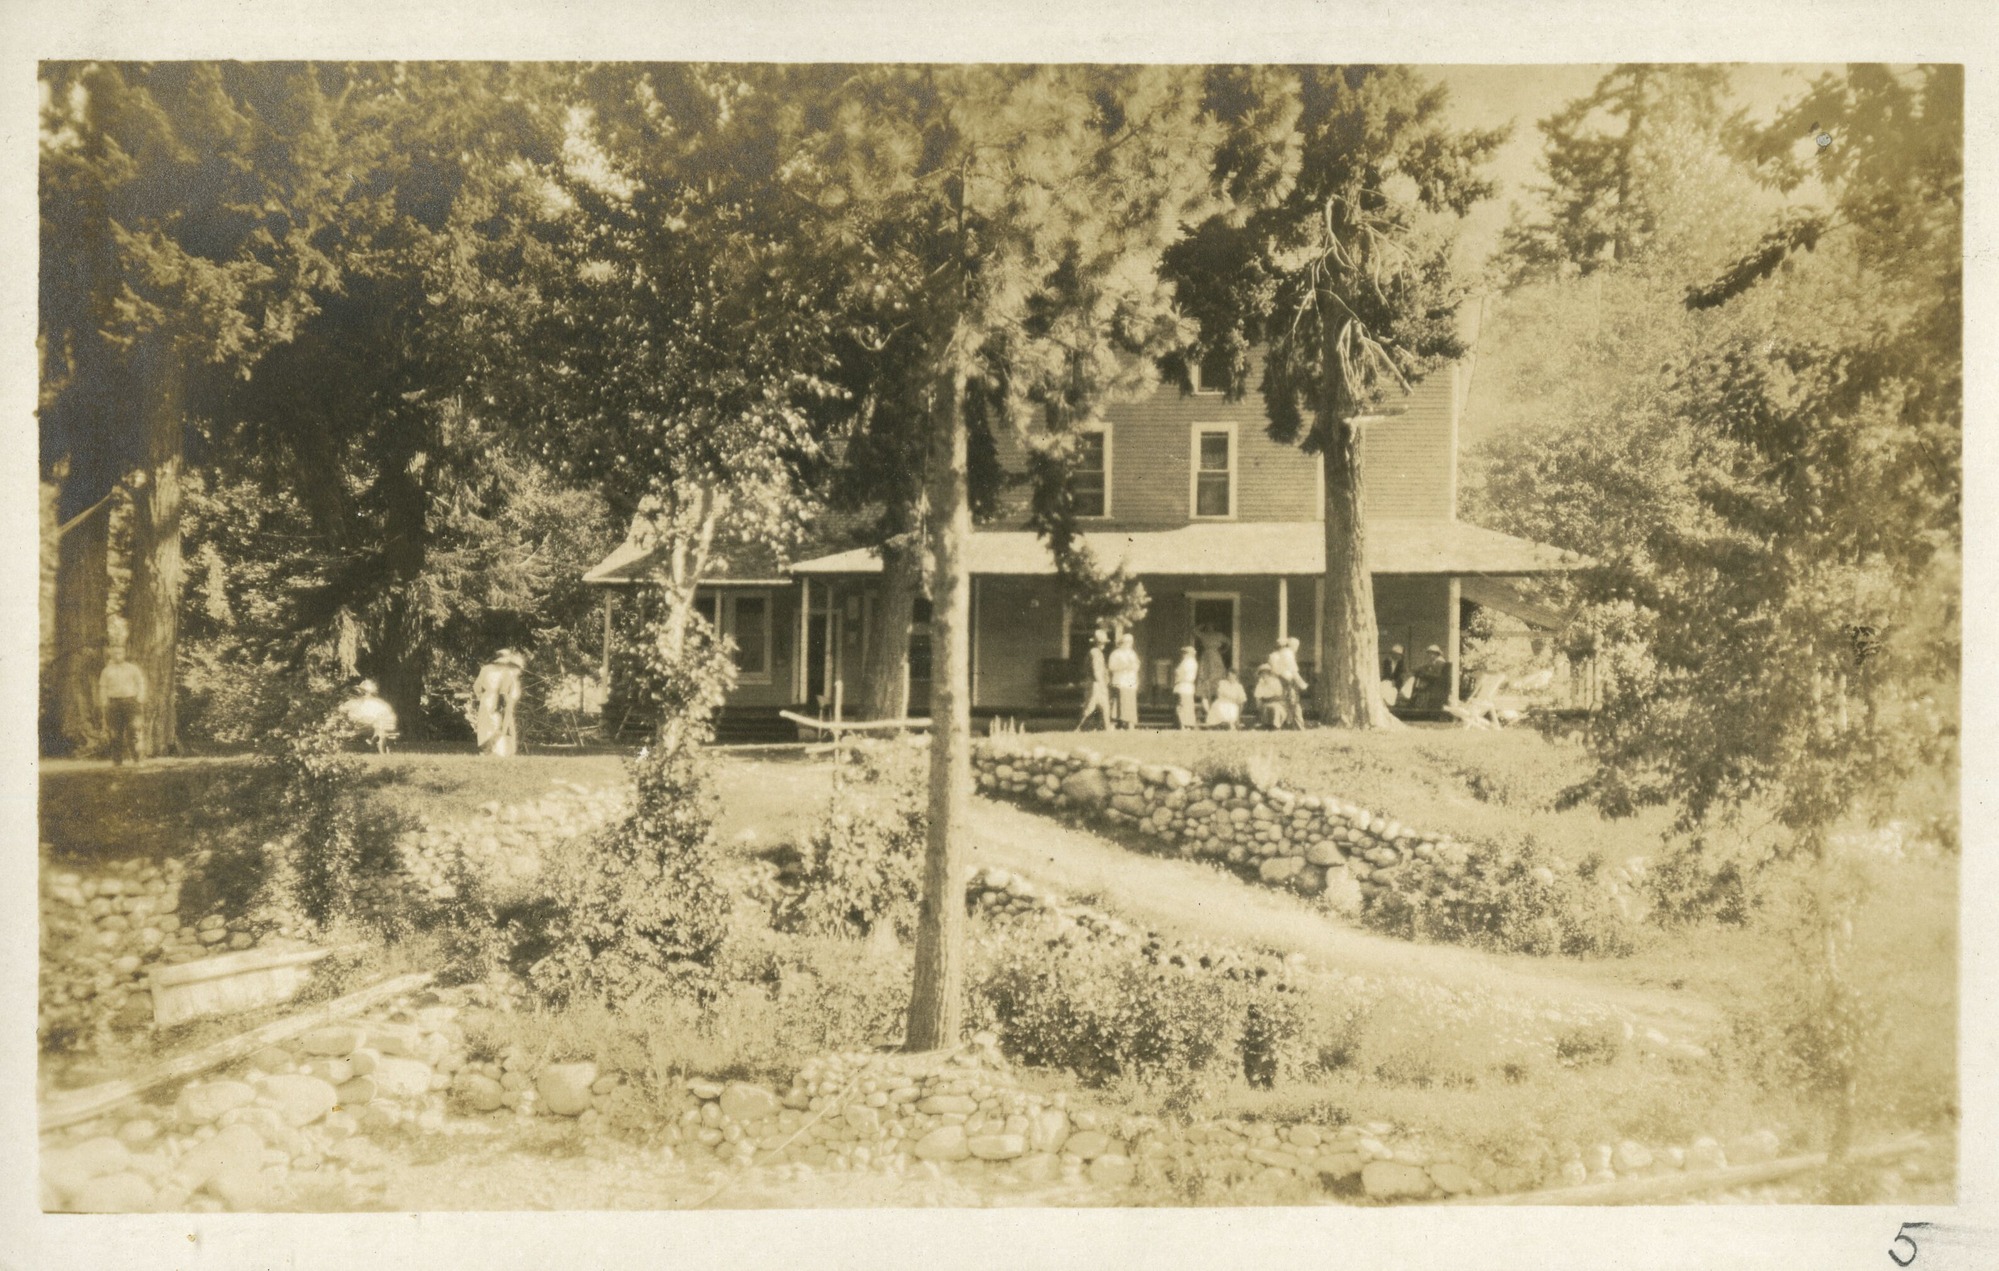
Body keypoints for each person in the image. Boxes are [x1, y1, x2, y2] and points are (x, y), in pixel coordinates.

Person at [469, 649, 528, 756]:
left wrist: (481, 696)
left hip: (490, 699)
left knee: (490, 725)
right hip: (500, 699)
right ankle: (494, 750)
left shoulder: (486, 669)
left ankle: (491, 750)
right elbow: (514, 690)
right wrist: (511, 700)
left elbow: (477, 686)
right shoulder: (509, 671)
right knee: (500, 724)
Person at [96, 645, 146, 766]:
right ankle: (117, 762)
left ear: (124, 654)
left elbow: (141, 683)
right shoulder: (107, 670)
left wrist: (140, 697)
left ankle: (138, 760)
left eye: (120, 653)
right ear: (111, 655)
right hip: (113, 703)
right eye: (115, 654)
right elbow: (103, 688)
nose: (118, 656)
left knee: (134, 731)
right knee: (115, 733)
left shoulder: (132, 669)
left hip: (131, 702)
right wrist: (104, 702)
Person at [338, 679, 400, 753]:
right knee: (377, 730)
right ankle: (374, 742)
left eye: (364, 693)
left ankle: (376, 744)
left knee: (379, 731)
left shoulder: (374, 704)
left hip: (379, 727)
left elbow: (382, 717)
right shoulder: (357, 703)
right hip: (370, 727)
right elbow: (342, 710)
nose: (362, 695)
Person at [1076, 629, 1113, 731]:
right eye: (1102, 642)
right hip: (1095, 684)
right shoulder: (1095, 653)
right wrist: (1102, 685)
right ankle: (1078, 727)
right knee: (1090, 706)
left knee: (1105, 706)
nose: (1104, 644)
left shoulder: (1096, 652)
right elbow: (1096, 671)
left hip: (1096, 683)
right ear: (1099, 643)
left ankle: (1107, 727)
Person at [1106, 632, 1141, 730]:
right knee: (1118, 702)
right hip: (1120, 680)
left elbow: (1136, 666)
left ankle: (1130, 723)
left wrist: (1134, 667)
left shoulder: (1132, 653)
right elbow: (1111, 667)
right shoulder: (1116, 653)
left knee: (1130, 702)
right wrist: (1124, 666)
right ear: (1121, 643)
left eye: (1130, 642)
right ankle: (1115, 723)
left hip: (1130, 681)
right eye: (1126, 642)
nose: (1129, 644)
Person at [1275, 636, 1310, 729]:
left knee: (1287, 703)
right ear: (1293, 646)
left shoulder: (1282, 653)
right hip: (1288, 681)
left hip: (1282, 680)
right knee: (1294, 703)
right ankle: (1298, 726)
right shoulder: (1288, 654)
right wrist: (1302, 684)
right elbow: (1294, 671)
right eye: (1296, 646)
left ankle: (1286, 724)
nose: (1297, 648)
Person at [1194, 623, 1229, 706]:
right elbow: (1194, 630)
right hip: (1205, 657)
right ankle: (1206, 698)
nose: (1210, 627)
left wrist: (1224, 651)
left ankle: (1216, 698)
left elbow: (1228, 642)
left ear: (1214, 626)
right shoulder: (1203, 635)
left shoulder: (1219, 635)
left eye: (1211, 625)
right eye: (1208, 626)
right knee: (1205, 675)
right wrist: (1202, 624)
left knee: (1216, 675)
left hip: (1215, 655)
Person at [1411, 643, 1452, 712]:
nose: (1429, 655)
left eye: (1431, 653)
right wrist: (1418, 670)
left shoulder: (1440, 662)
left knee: (1421, 685)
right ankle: (1418, 704)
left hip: (1438, 684)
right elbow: (1425, 667)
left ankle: (1420, 706)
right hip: (1434, 682)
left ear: (1436, 654)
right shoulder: (1434, 661)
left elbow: (1436, 675)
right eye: (1429, 653)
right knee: (1419, 683)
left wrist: (1424, 674)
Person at [1253, 656, 1287, 729]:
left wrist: (1269, 684)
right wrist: (1259, 706)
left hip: (1277, 702)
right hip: (1265, 703)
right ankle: (1266, 725)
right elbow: (1257, 697)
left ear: (1269, 673)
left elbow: (1279, 694)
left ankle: (1276, 726)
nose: (1264, 675)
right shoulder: (1260, 684)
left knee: (1276, 708)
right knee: (1265, 708)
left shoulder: (1275, 681)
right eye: (1262, 674)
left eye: (1266, 673)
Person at [1173, 645, 1200, 729]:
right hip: (1187, 686)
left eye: (1185, 653)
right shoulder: (1191, 662)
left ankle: (1184, 724)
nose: (1183, 655)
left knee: (1183, 705)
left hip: (1184, 685)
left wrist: (1177, 677)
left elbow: (1181, 674)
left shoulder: (1187, 662)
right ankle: (1185, 724)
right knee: (1186, 705)